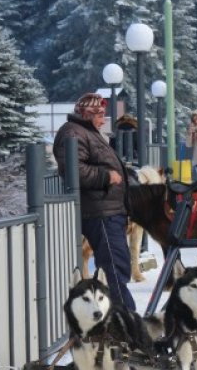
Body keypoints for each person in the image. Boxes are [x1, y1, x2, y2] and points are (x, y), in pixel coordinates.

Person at [53, 93, 136, 311]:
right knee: (114, 271)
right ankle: (125, 322)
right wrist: (106, 176)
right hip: (100, 213)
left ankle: (122, 321)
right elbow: (74, 170)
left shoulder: (87, 132)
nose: (103, 119)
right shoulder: (73, 132)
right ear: (87, 113)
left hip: (107, 210)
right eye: (99, 114)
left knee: (116, 268)